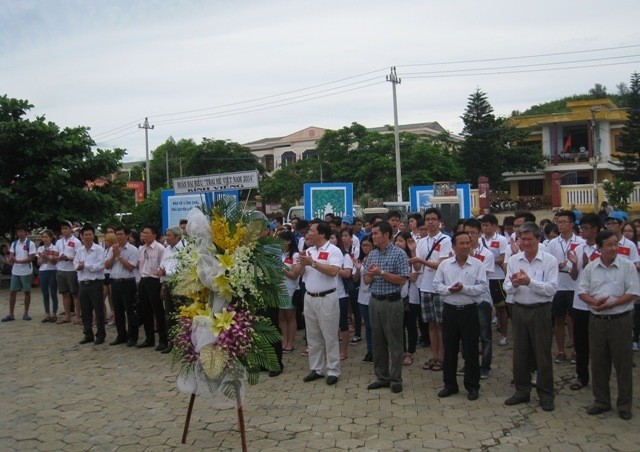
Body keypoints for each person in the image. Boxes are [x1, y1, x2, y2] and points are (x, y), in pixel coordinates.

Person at [578, 230, 640, 420]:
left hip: (619, 320)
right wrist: (593, 302)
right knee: (598, 362)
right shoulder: (590, 268)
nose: (614, 248)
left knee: (622, 365)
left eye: (616, 244)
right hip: (597, 321)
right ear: (599, 248)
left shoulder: (627, 266)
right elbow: (582, 291)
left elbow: (633, 293)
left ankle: (624, 404)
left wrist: (612, 303)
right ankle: (601, 401)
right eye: (609, 245)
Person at [503, 222, 559, 412]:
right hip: (519, 309)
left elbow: (551, 289)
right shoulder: (514, 260)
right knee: (520, 353)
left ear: (538, 239)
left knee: (542, 353)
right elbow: (506, 287)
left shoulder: (549, 260)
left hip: (541, 310)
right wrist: (515, 284)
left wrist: (530, 282)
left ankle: (546, 395)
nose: (525, 243)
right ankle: (522, 391)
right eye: (522, 239)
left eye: (529, 239)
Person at [434, 232, 488, 400]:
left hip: (469, 311)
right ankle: (450, 384)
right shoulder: (445, 265)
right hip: (450, 310)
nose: (465, 246)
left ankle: (472, 386)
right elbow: (437, 285)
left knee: (471, 350)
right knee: (449, 349)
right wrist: (449, 290)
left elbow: (482, 287)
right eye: (461, 243)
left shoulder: (478, 264)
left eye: (468, 243)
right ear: (454, 247)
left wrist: (464, 289)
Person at [364, 221, 409, 394]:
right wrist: (369, 275)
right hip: (374, 301)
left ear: (386, 235)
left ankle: (396, 378)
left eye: (375, 233)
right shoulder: (373, 255)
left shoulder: (399, 254)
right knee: (377, 342)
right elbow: (367, 280)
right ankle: (381, 377)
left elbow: (402, 279)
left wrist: (381, 273)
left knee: (395, 342)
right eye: (372, 233)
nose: (373, 236)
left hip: (392, 302)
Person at [298, 220, 342, 386]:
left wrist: (313, 263)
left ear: (322, 234)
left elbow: (333, 272)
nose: (309, 233)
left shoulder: (333, 250)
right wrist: (303, 265)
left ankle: (333, 370)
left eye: (312, 230)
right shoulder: (308, 251)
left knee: (329, 336)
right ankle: (316, 369)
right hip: (309, 297)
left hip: (327, 298)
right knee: (313, 336)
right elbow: (300, 274)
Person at [409, 207, 453, 372]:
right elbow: (419, 266)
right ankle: (435, 356)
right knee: (431, 324)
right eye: (428, 219)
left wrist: (421, 260)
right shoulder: (421, 241)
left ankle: (443, 357)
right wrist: (413, 252)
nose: (431, 222)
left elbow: (442, 264)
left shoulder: (446, 240)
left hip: (440, 287)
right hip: (425, 286)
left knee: (442, 324)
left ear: (440, 222)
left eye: (434, 219)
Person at [567, 212, 601, 391]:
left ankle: (600, 377)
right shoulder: (579, 248)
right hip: (579, 303)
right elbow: (574, 277)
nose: (582, 231)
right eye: (581, 228)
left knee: (598, 343)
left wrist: (588, 266)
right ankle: (582, 376)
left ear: (595, 229)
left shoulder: (602, 249)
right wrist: (574, 264)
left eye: (585, 228)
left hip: (597, 303)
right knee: (581, 343)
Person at [546, 210, 583, 363]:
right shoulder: (552, 243)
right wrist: (557, 265)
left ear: (572, 224)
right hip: (558, 286)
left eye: (564, 222)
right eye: (558, 222)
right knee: (558, 319)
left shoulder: (581, 242)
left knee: (574, 320)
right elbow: (547, 263)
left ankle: (576, 350)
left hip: (575, 285)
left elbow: (583, 263)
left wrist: (569, 265)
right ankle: (561, 351)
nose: (560, 224)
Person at [465, 218, 495, 379]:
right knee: (468, 335)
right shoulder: (459, 253)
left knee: (485, 335)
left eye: (473, 233)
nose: (469, 236)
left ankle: (485, 366)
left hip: (482, 299)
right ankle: (469, 364)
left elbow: (480, 276)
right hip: (466, 300)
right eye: (466, 232)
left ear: (479, 233)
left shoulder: (487, 254)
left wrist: (471, 258)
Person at [104, 225, 140, 347]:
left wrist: (119, 255)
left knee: (130, 311)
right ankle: (121, 335)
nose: (118, 236)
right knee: (118, 311)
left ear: (128, 235)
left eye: (121, 234)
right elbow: (107, 266)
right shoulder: (112, 249)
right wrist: (114, 255)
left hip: (128, 282)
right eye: (117, 234)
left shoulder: (133, 250)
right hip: (115, 281)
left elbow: (130, 267)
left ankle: (132, 336)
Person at [480, 214, 509, 347]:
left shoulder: (502, 240)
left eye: (487, 225)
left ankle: (504, 334)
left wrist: (487, 261)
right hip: (483, 277)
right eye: (483, 225)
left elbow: (503, 258)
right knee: (484, 307)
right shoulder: (479, 240)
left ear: (495, 226)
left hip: (497, 277)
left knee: (501, 307)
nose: (484, 228)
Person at [74, 224, 106, 345]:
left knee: (98, 310)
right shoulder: (79, 251)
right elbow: (75, 265)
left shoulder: (99, 250)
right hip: (83, 283)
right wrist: (80, 267)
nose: (87, 237)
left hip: (95, 283)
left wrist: (85, 266)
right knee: (85, 311)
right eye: (85, 234)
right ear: (81, 236)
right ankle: (88, 334)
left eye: (90, 234)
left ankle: (101, 334)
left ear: (93, 236)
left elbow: (99, 266)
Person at [136, 225, 166, 350]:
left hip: (154, 281)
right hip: (143, 280)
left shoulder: (160, 248)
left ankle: (163, 340)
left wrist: (162, 286)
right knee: (145, 311)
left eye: (147, 233)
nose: (144, 235)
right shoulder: (142, 248)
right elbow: (140, 265)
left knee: (158, 312)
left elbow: (162, 266)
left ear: (154, 235)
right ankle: (149, 339)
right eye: (143, 233)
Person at [393, 231, 420, 366]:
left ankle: (410, 352)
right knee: (398, 326)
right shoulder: (392, 257)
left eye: (401, 241)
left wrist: (413, 250)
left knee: (411, 326)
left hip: (411, 297)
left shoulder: (412, 258)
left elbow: (415, 275)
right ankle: (402, 351)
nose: (398, 243)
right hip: (397, 295)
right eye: (396, 241)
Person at [2, 224, 37, 322]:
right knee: (12, 291)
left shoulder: (30, 244)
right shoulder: (14, 244)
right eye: (18, 232)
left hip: (26, 270)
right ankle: (11, 314)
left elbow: (31, 258)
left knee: (26, 291)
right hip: (16, 270)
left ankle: (26, 313)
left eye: (21, 231)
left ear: (25, 232)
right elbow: (12, 255)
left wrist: (18, 261)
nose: (19, 233)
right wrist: (11, 259)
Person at [157, 227, 183, 353]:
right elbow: (162, 265)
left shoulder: (184, 248)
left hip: (178, 284)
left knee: (180, 314)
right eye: (166, 235)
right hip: (167, 283)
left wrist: (165, 272)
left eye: (169, 235)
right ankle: (171, 342)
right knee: (169, 314)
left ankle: (182, 342)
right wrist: (162, 280)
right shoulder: (167, 249)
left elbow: (182, 271)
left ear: (177, 236)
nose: (166, 238)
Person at [330, 231, 354, 361]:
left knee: (342, 323)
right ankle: (332, 350)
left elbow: (347, 273)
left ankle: (343, 350)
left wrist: (332, 268)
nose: (331, 240)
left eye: (333, 237)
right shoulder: (325, 254)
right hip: (327, 294)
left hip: (340, 294)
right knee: (330, 324)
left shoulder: (345, 255)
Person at [278, 230, 302, 355]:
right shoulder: (278, 254)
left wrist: (281, 268)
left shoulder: (295, 255)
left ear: (289, 241)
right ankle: (284, 341)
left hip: (290, 290)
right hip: (278, 289)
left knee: (290, 316)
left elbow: (294, 275)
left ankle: (291, 343)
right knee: (281, 317)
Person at [53, 220, 81, 325]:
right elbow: (55, 254)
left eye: (66, 228)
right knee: (64, 293)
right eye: (62, 229)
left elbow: (79, 256)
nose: (64, 230)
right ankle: (67, 315)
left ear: (70, 229)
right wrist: (55, 257)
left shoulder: (76, 241)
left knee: (75, 293)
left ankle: (77, 315)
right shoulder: (59, 242)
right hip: (60, 269)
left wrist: (68, 258)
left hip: (71, 270)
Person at [353, 235, 374, 363]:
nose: (365, 248)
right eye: (363, 245)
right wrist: (357, 269)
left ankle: (377, 350)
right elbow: (355, 279)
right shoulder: (360, 259)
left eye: (368, 245)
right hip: (362, 296)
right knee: (367, 326)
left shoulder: (376, 258)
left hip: (373, 296)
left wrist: (362, 268)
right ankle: (369, 350)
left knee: (375, 325)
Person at [36, 230, 59, 323]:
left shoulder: (55, 248)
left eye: (46, 237)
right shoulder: (40, 248)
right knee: (45, 293)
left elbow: (54, 261)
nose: (45, 239)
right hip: (42, 271)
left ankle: (54, 313)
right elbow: (38, 262)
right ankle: (47, 314)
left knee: (53, 293)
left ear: (51, 238)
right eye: (43, 237)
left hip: (52, 271)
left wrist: (47, 257)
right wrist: (42, 257)